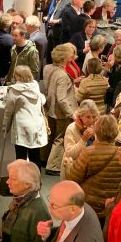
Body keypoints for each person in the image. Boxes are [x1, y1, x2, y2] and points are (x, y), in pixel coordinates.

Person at [65, 114, 121, 219]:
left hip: (90, 206)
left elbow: (73, 179)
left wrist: (68, 165)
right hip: (111, 206)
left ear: (97, 131)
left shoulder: (88, 153)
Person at [43, 44, 78, 175]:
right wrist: (72, 113)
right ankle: (53, 166)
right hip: (60, 112)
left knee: (49, 135)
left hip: (49, 107)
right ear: (65, 58)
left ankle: (44, 158)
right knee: (60, 138)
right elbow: (62, 98)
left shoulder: (47, 68)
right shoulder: (62, 75)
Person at [2, 66, 48, 163]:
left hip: (21, 127)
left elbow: (8, 111)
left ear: (18, 76)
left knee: (21, 157)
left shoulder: (14, 90)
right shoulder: (35, 85)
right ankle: (36, 177)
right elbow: (42, 100)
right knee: (35, 156)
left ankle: (21, 177)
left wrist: (5, 127)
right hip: (36, 124)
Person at [61, 100, 100, 177]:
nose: (91, 120)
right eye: (88, 117)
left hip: (90, 170)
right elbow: (70, 154)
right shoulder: (71, 128)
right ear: (81, 116)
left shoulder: (97, 126)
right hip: (74, 169)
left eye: (94, 116)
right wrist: (83, 140)